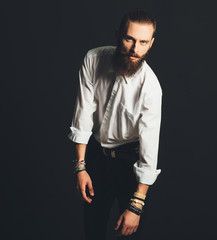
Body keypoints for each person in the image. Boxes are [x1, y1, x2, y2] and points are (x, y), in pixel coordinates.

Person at [68, 9, 162, 240]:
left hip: (129, 164)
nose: (134, 49)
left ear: (151, 43)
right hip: (96, 157)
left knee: (129, 234)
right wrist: (80, 167)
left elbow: (149, 150)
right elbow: (82, 115)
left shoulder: (150, 88)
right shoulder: (93, 59)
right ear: (118, 35)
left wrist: (137, 204)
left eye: (142, 42)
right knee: (93, 231)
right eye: (129, 39)